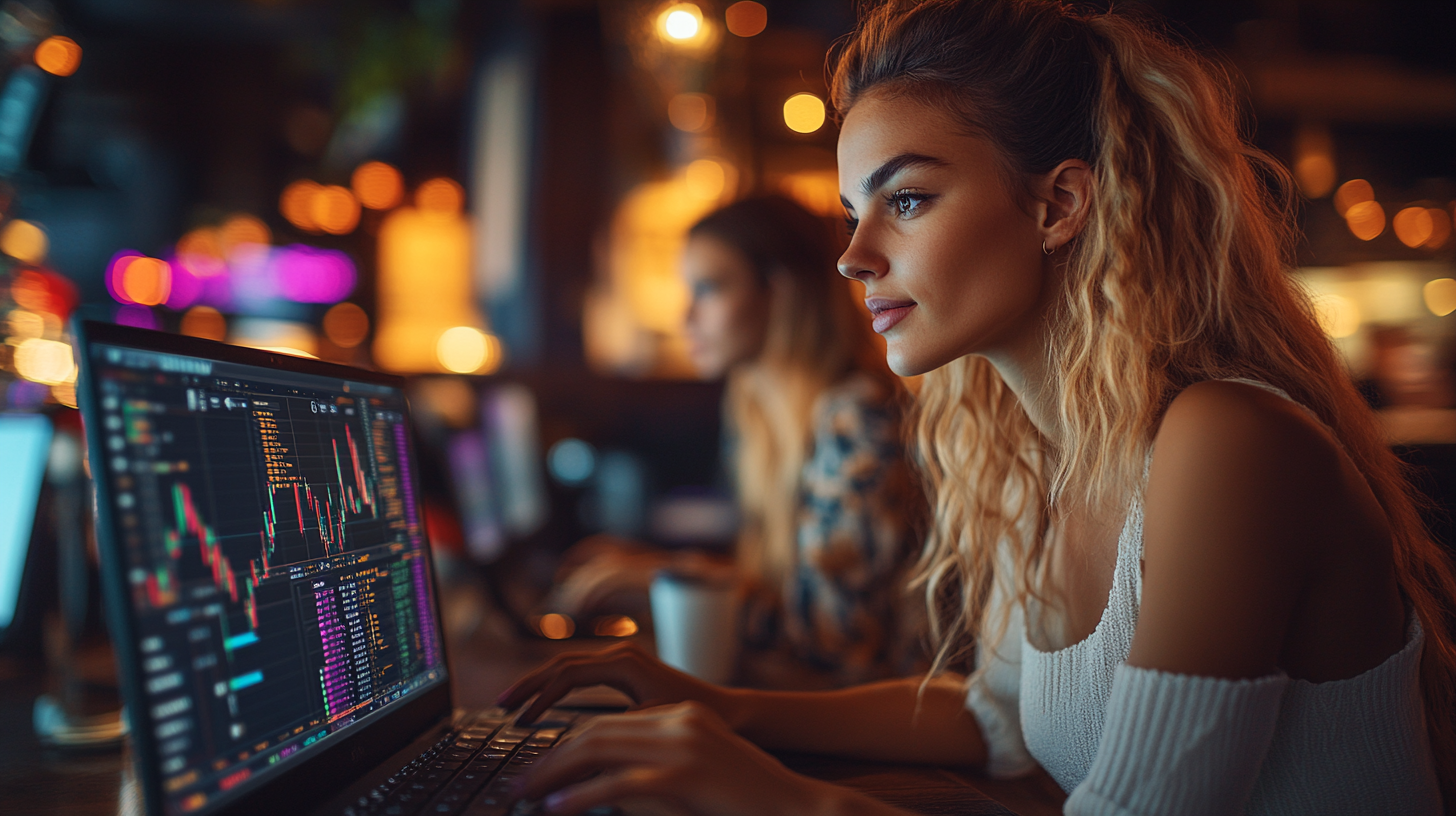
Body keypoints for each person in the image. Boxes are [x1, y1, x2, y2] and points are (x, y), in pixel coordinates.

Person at [498, 2, 1456, 813]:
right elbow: (996, 717)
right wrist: (718, 705)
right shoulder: (1038, 454)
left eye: (906, 200)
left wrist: (782, 797)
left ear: (1058, 206)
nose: (853, 255)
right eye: (850, 214)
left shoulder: (1228, 444)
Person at [552, 195, 920, 682]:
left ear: (781, 291)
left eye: (709, 288)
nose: (686, 318)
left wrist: (662, 585)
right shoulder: (758, 414)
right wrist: (667, 567)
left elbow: (834, 643)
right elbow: (779, 591)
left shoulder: (859, 415)